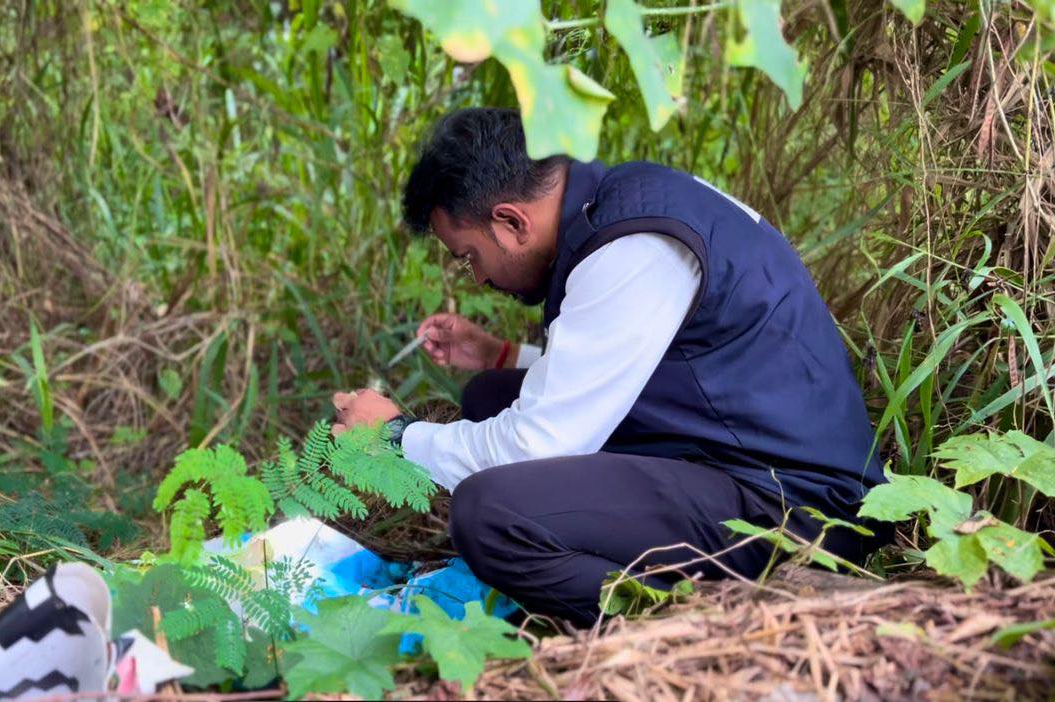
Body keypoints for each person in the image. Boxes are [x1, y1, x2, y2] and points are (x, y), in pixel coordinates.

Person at [331, 107, 889, 627]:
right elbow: (656, 366)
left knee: (489, 513)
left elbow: (536, 445)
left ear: (510, 221)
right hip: (743, 452)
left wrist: (397, 436)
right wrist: (501, 355)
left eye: (470, 256)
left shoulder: (630, 247)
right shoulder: (623, 201)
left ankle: (683, 619)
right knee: (489, 395)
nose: (477, 278)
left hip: (798, 510)